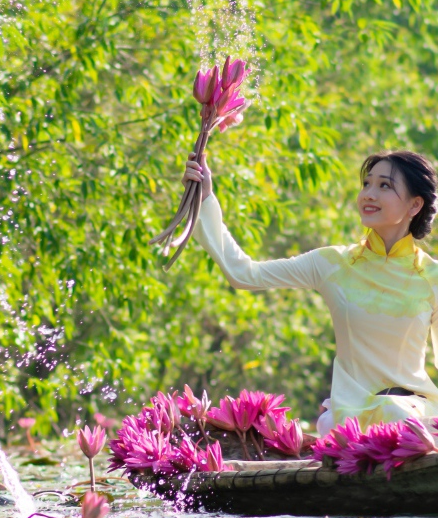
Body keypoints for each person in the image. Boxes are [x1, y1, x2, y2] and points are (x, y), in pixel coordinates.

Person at [183, 149, 438, 433]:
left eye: (384, 186)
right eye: (366, 184)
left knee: (394, 414)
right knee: (331, 424)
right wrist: (204, 198)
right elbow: (244, 274)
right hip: (348, 419)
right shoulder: (333, 264)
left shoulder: (432, 278)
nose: (369, 194)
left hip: (411, 417)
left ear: (415, 205)